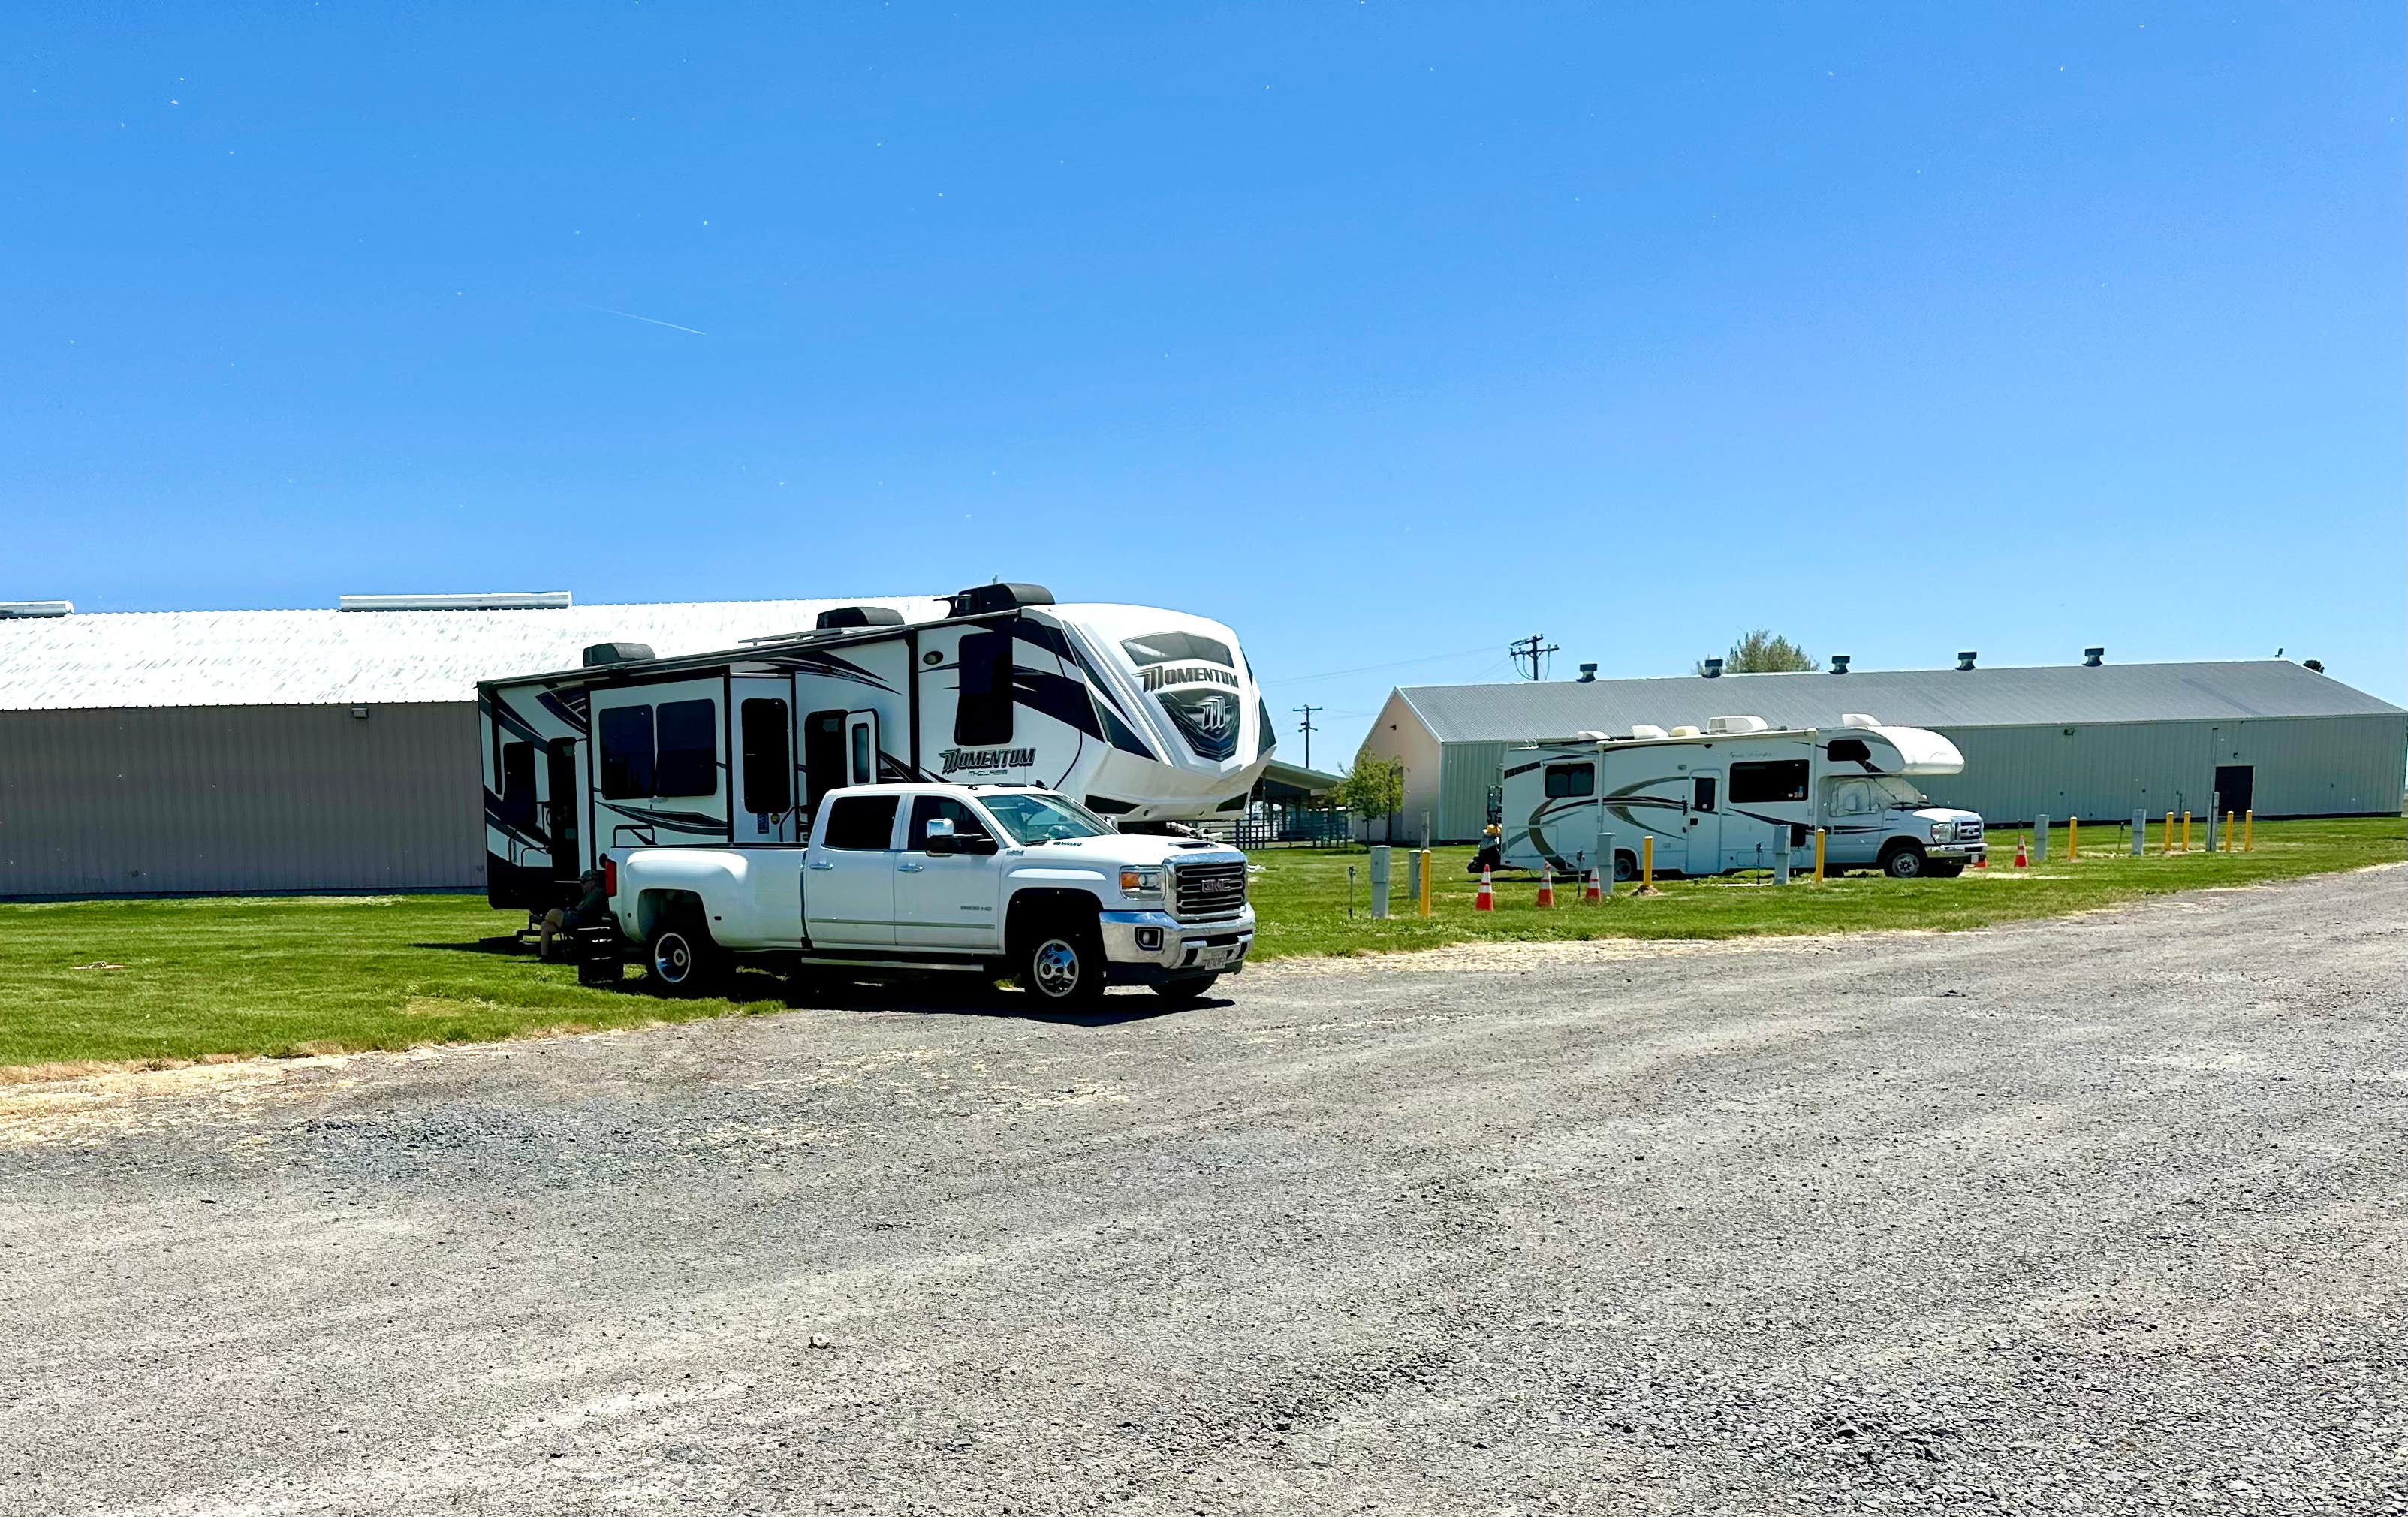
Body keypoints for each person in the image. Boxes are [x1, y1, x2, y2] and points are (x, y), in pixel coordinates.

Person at [538, 869, 610, 962]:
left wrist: (572, 910)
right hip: (579, 920)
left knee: (554, 913)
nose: (581, 884)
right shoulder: (590, 894)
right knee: (545, 926)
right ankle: (545, 957)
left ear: (592, 882)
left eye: (583, 882)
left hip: (583, 923)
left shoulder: (597, 893)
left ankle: (539, 919)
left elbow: (585, 911)